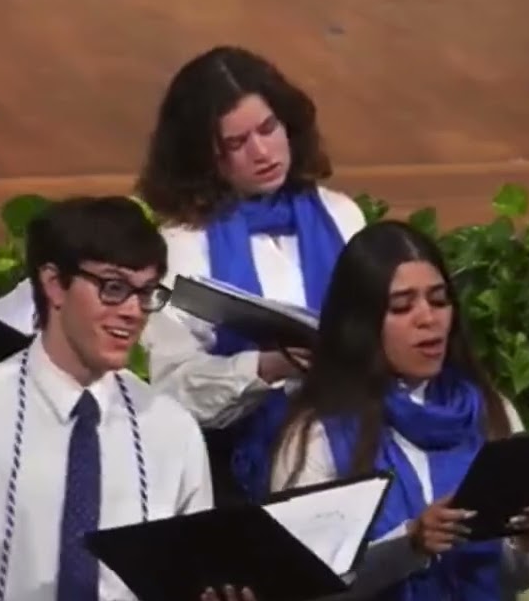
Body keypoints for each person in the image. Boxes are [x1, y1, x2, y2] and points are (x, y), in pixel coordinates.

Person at [0, 196, 256, 601]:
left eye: (145, 293)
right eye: (113, 288)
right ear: (53, 284)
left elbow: (189, 586)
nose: (132, 312)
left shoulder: (172, 432)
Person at [271, 221, 529, 601]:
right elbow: (302, 589)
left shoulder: (490, 412)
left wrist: (525, 538)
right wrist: (409, 545)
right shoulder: (319, 431)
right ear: (363, 323)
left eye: (439, 301)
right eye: (402, 306)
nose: (428, 319)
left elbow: (519, 576)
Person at [137, 45, 366, 504]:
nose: (262, 152)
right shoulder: (184, 245)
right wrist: (267, 367)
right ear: (204, 158)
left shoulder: (342, 217)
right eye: (237, 144)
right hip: (241, 473)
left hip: (358, 446)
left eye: (268, 128)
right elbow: (171, 391)